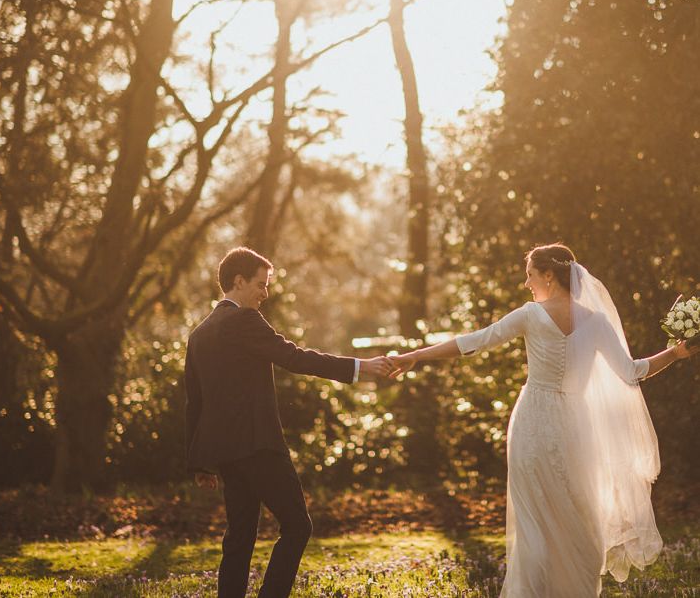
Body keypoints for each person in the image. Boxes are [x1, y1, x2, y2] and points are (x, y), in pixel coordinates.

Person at [390, 243, 699, 597]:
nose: (526, 283)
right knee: (579, 514)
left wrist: (415, 355)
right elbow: (633, 372)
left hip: (533, 423)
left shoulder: (530, 315)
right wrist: (676, 353)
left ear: (548, 276)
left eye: (530, 275)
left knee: (533, 520)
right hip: (575, 426)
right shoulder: (595, 322)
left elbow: (474, 342)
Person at [184, 247, 393, 598]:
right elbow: (294, 357)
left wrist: (199, 461)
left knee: (240, 535)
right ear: (238, 281)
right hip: (259, 446)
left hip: (225, 453)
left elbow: (195, 402)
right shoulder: (244, 320)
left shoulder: (200, 333)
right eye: (261, 285)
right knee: (297, 525)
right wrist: (361, 366)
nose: (264, 294)